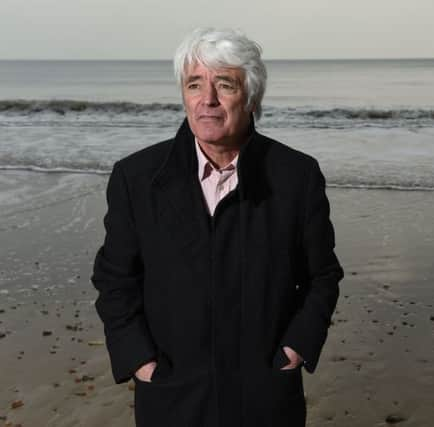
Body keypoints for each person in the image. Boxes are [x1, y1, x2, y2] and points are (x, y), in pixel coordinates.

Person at [91, 28, 344, 427]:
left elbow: (322, 277)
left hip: (264, 395)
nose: (207, 99)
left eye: (224, 84)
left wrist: (296, 348)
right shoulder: (135, 178)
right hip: (171, 395)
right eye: (195, 84)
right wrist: (140, 360)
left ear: (252, 97)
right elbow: (114, 279)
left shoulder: (297, 176)